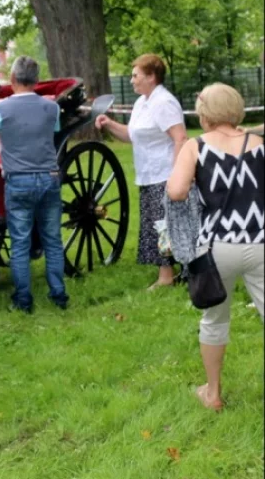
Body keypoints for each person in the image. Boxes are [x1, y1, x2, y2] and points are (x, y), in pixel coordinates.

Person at [167, 83, 264, 412]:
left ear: (205, 112)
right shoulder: (260, 144)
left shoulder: (195, 147)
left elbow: (177, 192)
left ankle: (213, 393)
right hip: (261, 242)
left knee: (214, 319)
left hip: (217, 246)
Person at [0, 56, 67, 313]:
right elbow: (53, 131)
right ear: (36, 81)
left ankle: (23, 299)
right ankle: (59, 294)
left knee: (20, 243)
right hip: (48, 176)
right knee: (53, 241)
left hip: (19, 180)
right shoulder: (52, 108)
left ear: (11, 80)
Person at [95, 54, 188, 290]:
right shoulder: (142, 102)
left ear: (151, 77)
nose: (131, 80)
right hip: (148, 174)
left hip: (165, 173)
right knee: (156, 224)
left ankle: (167, 277)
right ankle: (174, 272)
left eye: (135, 75)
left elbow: (180, 138)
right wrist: (109, 124)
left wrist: (177, 174)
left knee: (163, 224)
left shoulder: (163, 103)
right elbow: (132, 135)